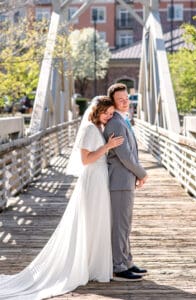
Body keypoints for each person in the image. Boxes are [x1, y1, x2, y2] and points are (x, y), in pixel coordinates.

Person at [0, 96, 124, 300]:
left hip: (100, 179)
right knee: (90, 221)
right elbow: (86, 160)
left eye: (111, 114)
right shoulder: (89, 129)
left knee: (97, 222)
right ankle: (85, 267)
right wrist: (107, 147)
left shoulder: (99, 128)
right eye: (107, 113)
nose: (110, 116)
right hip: (92, 180)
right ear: (97, 111)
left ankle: (93, 266)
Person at [103, 83, 148, 281]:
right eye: (120, 99)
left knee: (126, 224)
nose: (124, 102)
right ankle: (118, 265)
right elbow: (125, 156)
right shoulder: (115, 123)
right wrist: (142, 173)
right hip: (119, 181)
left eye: (126, 98)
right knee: (120, 225)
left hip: (125, 180)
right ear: (112, 102)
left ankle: (127, 260)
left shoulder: (124, 120)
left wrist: (136, 174)